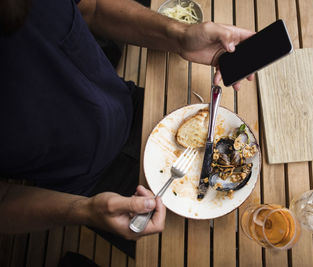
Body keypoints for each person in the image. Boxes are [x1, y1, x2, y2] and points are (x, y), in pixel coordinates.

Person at [0, 0, 254, 258]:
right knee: (200, 254)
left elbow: (92, 8)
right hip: (85, 191)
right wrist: (84, 211)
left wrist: (179, 35)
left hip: (131, 104)